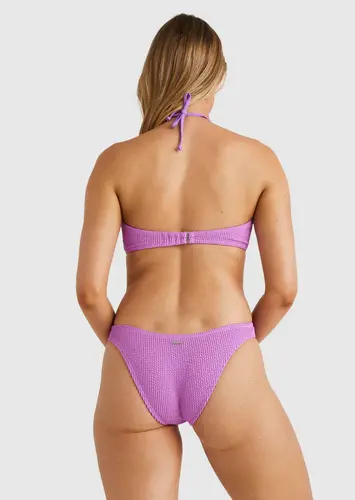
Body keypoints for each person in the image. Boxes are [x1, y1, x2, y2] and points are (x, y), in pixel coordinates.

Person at [76, 12, 313, 500]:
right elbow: (284, 291)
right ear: (219, 75)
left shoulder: (114, 162)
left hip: (134, 358)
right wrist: (235, 347)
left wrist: (130, 349)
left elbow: (90, 293)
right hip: (224, 352)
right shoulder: (258, 160)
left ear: (153, 73)